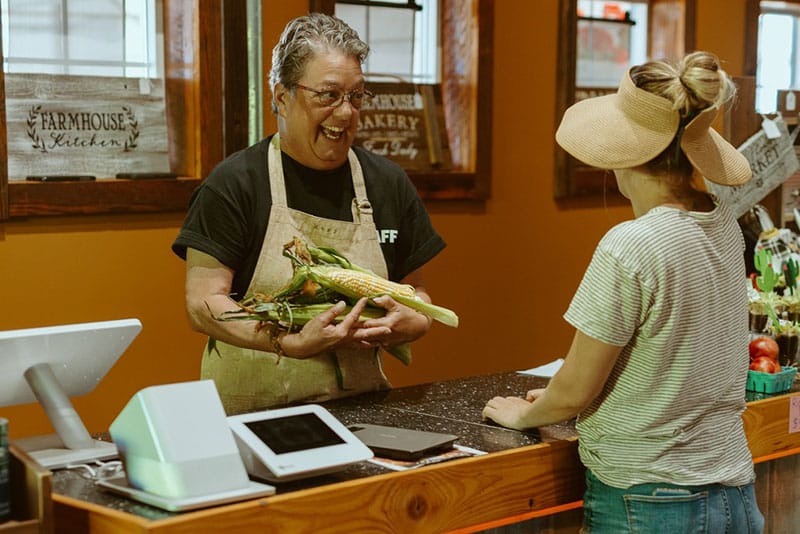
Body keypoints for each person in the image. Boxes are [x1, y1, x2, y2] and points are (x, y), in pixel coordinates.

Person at [483, 51, 764, 533]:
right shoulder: (721, 222)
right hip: (734, 491)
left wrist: (525, 415)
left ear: (624, 154)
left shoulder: (632, 243)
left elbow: (574, 391)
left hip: (650, 498)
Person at [172, 13, 445, 414]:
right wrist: (286, 341)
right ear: (282, 97)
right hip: (251, 417)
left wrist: (415, 321)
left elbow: (415, 293)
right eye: (328, 95)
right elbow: (203, 303)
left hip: (360, 412)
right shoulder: (235, 184)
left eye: (356, 96)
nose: (346, 113)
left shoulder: (387, 183)